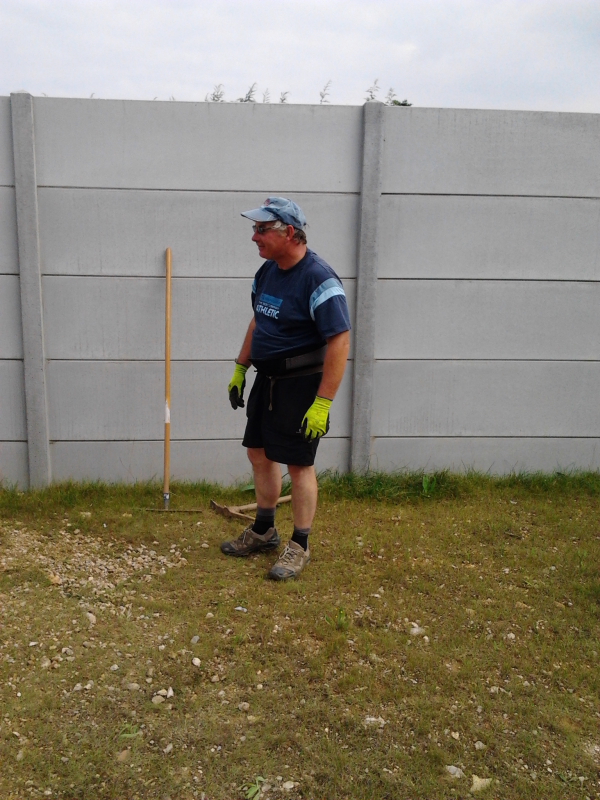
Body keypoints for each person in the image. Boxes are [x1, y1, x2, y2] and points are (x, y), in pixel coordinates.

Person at [221, 197, 351, 580]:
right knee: (259, 454)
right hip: (268, 381)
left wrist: (322, 403)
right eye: (255, 229)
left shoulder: (319, 280)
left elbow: (340, 341)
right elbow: (258, 321)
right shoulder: (267, 272)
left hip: (301, 386)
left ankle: (300, 545)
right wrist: (241, 367)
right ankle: (264, 529)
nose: (254, 237)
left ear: (289, 232)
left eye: (262, 229)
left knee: (298, 464)